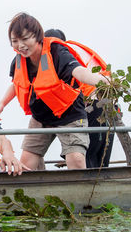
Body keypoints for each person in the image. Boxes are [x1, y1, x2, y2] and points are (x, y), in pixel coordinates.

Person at [0, 13, 109, 170]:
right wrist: (2, 103)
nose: (20, 45)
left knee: (76, 159)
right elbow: (16, 84)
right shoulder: (19, 60)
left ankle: (80, 193)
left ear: (38, 36)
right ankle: (36, 193)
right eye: (15, 41)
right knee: (26, 162)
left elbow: (78, 72)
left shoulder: (57, 52)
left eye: (25, 39)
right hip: (41, 116)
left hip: (69, 114)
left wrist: (103, 82)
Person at [44, 28, 117, 169]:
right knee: (101, 160)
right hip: (111, 107)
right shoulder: (81, 52)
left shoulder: (56, 54)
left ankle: (89, 190)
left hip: (90, 105)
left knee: (86, 156)